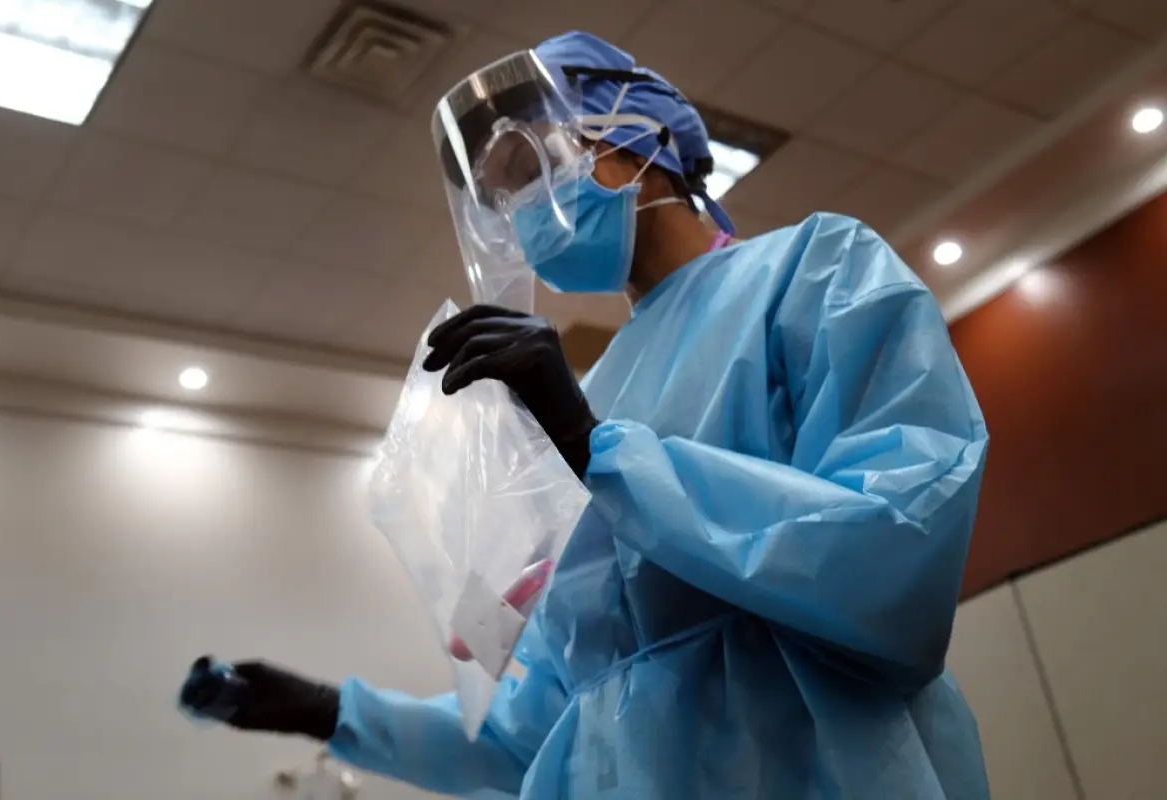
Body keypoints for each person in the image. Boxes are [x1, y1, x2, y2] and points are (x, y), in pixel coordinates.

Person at [182, 31, 991, 799]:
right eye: (499, 198)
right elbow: (537, 726)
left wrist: (598, 448)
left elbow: (894, 547)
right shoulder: (583, 397)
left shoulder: (816, 271)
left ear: (639, 138)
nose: (521, 211)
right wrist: (329, 711)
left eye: (528, 169)